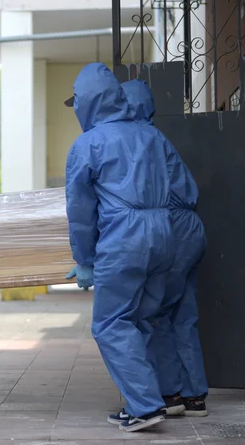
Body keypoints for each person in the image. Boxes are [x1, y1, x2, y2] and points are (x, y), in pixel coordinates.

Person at [63, 63, 175, 432]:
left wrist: (85, 260)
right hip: (163, 231)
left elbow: (81, 210)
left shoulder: (88, 144)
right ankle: (153, 398)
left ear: (87, 102)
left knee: (111, 323)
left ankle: (145, 406)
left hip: (124, 236)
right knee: (143, 318)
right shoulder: (151, 135)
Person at [122, 79, 209, 418]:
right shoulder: (157, 137)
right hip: (189, 230)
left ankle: (170, 393)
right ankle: (194, 394)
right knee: (183, 314)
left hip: (171, 231)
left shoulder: (137, 140)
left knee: (154, 312)